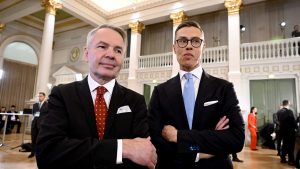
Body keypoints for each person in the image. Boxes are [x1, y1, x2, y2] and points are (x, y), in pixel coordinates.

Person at [36, 24, 157, 169]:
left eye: (118, 50)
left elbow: (144, 154)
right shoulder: (62, 95)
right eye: (102, 46)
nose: (111, 55)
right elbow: (48, 153)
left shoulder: (135, 100)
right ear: (86, 54)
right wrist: (122, 148)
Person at [148, 20, 245, 169]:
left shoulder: (223, 88)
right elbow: (156, 140)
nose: (188, 45)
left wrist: (178, 136)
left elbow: (236, 139)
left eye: (195, 41)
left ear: (203, 47)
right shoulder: (160, 91)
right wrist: (199, 152)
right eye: (182, 41)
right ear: (174, 47)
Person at [28, 92, 48, 158]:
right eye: (39, 96)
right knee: (33, 139)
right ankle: (32, 152)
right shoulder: (35, 105)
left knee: (41, 139)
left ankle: (40, 153)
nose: (39, 97)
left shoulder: (47, 105)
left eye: (41, 96)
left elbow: (48, 115)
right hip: (34, 124)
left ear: (44, 97)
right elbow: (34, 114)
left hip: (42, 125)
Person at [277, 100, 296, 165]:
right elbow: (293, 121)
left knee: (284, 144)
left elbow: (279, 121)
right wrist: (296, 127)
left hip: (282, 130)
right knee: (291, 146)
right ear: (288, 104)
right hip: (290, 131)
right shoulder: (289, 111)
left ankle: (283, 158)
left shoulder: (279, 112)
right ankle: (291, 161)